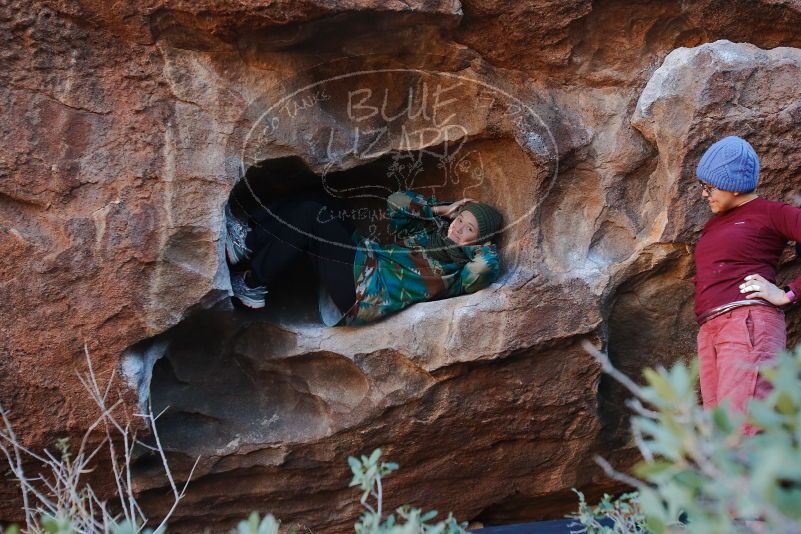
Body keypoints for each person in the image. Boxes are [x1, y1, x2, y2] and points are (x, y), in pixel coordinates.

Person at [224, 190, 502, 326]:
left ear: (479, 240)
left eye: (469, 229)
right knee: (321, 199)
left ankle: (253, 278)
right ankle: (249, 236)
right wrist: (442, 210)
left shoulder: (457, 272)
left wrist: (480, 246)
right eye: (460, 220)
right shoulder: (430, 234)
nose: (458, 228)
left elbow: (484, 268)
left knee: (311, 215)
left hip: (362, 293)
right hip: (363, 262)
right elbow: (397, 203)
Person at [693, 135, 801, 435]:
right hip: (711, 330)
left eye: (709, 187)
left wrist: (789, 293)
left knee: (743, 434)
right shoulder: (715, 223)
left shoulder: (771, 213)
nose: (704, 194)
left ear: (734, 186)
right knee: (720, 440)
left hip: (748, 324)